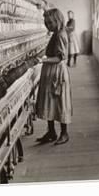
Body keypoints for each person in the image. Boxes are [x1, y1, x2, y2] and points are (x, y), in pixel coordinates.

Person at [34, 8, 74, 145]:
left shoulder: (60, 35)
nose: (48, 26)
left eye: (50, 23)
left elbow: (60, 58)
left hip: (57, 72)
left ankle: (64, 133)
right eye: (46, 23)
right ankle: (51, 132)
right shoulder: (55, 33)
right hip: (51, 71)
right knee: (49, 101)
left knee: (59, 102)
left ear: (58, 21)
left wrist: (42, 60)